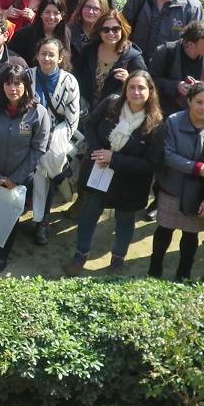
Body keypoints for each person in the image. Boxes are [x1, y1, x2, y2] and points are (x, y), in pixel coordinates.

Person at [64, 70, 163, 277]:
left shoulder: (156, 123)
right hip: (99, 172)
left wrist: (114, 158)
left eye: (141, 88)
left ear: (150, 91)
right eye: (132, 87)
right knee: (89, 214)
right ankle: (80, 254)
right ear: (125, 88)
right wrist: (97, 150)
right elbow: (90, 124)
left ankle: (118, 260)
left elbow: (151, 163)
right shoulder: (111, 104)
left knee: (125, 221)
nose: (136, 92)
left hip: (130, 183)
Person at [150, 82, 204, 281]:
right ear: (189, 101)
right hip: (172, 187)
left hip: (200, 194)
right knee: (164, 230)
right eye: (198, 102)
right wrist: (199, 168)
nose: (203, 108)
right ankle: (154, 271)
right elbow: (168, 155)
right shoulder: (173, 121)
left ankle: (183, 274)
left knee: (190, 235)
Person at [0, 64, 51, 272]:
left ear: (26, 85)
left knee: (9, 216)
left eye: (18, 83)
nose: (13, 88)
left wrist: (16, 178)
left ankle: (2, 253)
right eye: (8, 83)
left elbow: (38, 149)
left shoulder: (38, 113)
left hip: (18, 177)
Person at [26, 38, 80, 240]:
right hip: (28, 134)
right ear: (37, 55)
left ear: (60, 57)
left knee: (45, 171)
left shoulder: (69, 82)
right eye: (43, 54)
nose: (46, 58)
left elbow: (71, 120)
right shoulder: (27, 77)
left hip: (56, 136)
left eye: (51, 54)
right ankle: (60, 177)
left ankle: (42, 221)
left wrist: (51, 139)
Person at [150, 19, 204, 115]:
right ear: (190, 45)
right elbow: (151, 81)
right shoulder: (165, 52)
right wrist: (176, 86)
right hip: (170, 114)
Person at [74, 6, 146, 111]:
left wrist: (129, 81)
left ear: (123, 30)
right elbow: (75, 77)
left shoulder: (134, 57)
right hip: (85, 111)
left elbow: (146, 87)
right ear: (99, 31)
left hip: (115, 115)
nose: (111, 33)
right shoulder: (89, 51)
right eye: (105, 30)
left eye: (116, 29)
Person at [9, 0, 71, 66]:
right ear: (41, 13)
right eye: (47, 12)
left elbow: (67, 63)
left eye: (56, 13)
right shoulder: (22, 35)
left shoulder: (66, 32)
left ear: (62, 16)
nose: (51, 17)